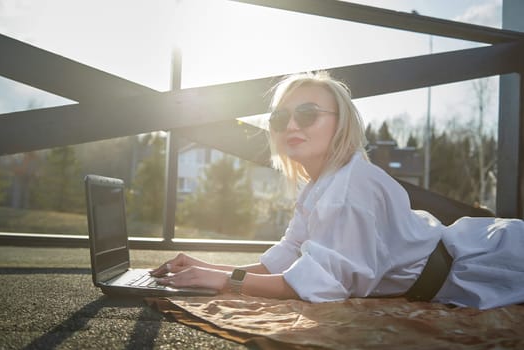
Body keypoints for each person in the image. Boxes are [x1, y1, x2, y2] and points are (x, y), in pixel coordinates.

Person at [151, 71, 524, 310]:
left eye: (308, 113)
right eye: (281, 117)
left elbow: (320, 283)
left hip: (494, 261)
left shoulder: (349, 187)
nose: (291, 124)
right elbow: (285, 258)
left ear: (340, 122)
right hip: (480, 257)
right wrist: (206, 268)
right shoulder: (320, 184)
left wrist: (224, 281)